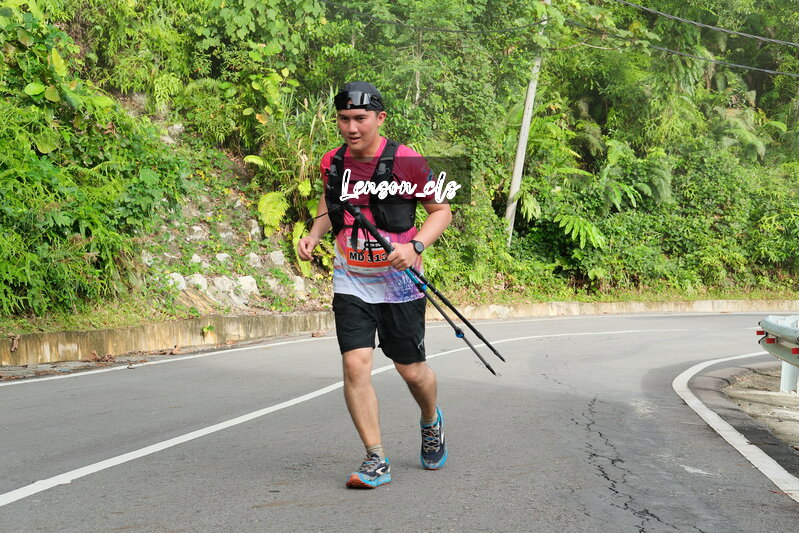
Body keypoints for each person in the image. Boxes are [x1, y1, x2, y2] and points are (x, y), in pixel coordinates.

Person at [297, 81, 452, 489]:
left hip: (400, 284)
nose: (351, 127)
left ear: (380, 118)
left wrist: (415, 246)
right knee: (354, 365)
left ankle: (430, 420)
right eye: (343, 119)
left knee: (412, 371)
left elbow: (441, 211)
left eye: (360, 118)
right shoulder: (333, 161)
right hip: (351, 279)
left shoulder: (408, 161)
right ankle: (375, 458)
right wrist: (313, 234)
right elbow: (330, 203)